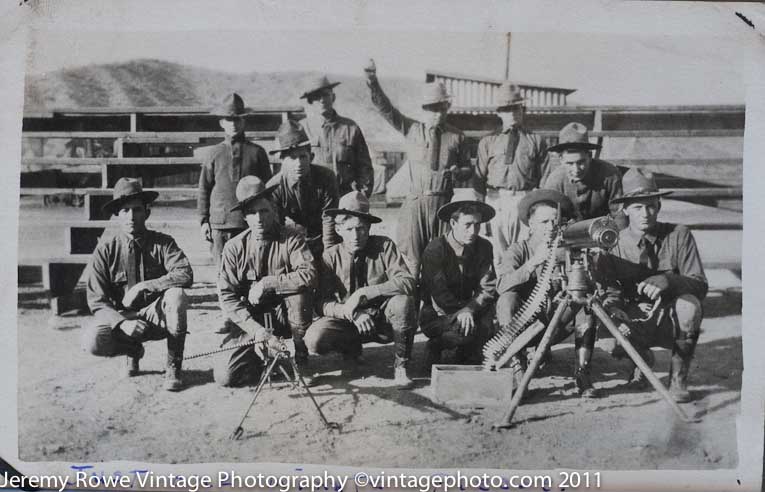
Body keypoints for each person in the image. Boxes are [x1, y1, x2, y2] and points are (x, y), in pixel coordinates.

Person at [599, 168, 707, 402]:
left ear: (659, 205)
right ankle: (639, 358)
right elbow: (611, 291)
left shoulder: (679, 235)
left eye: (650, 205)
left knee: (690, 307)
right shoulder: (614, 244)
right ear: (625, 209)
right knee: (606, 337)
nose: (645, 213)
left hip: (669, 318)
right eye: (637, 207)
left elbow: (700, 284)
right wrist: (614, 310)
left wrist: (668, 280)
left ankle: (678, 379)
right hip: (634, 319)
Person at [81, 178, 194, 391]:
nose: (131, 216)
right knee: (92, 341)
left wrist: (145, 286)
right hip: (123, 319)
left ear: (147, 212)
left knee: (177, 296)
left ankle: (173, 365)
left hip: (156, 316)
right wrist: (122, 323)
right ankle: (132, 350)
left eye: (137, 209)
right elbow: (97, 301)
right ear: (117, 215)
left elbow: (185, 273)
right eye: (125, 211)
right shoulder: (106, 250)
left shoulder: (163, 243)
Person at [364, 59, 472, 276]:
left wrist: (458, 173)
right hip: (415, 203)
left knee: (443, 260)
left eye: (442, 108)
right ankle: (410, 306)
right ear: (424, 109)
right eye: (433, 109)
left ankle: (437, 308)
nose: (438, 114)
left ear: (447, 108)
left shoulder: (457, 137)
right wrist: (372, 81)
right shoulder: (411, 129)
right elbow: (385, 109)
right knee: (411, 261)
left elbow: (468, 169)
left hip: (443, 205)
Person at [495, 189, 601, 398]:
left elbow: (588, 286)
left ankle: (582, 372)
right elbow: (501, 284)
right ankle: (518, 368)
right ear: (531, 224)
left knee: (586, 305)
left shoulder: (569, 250)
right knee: (507, 300)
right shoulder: (519, 250)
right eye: (544, 222)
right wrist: (533, 262)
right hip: (523, 326)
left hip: (557, 322)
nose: (550, 227)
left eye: (555, 221)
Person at [305, 191, 417, 388]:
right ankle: (351, 352)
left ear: (369, 227)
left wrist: (364, 294)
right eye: (349, 229)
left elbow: (407, 280)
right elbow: (320, 303)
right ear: (338, 230)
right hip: (349, 322)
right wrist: (351, 312)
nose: (355, 236)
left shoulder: (384, 246)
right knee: (314, 339)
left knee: (403, 303)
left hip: (382, 320)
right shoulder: (330, 257)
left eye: (361, 229)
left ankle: (401, 367)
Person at [215, 176, 318, 387]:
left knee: (300, 294)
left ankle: (301, 360)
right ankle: (261, 359)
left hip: (285, 317)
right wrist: (256, 331)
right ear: (245, 217)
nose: (259, 218)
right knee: (225, 377)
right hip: (252, 321)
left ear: (274, 210)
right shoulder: (234, 248)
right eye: (252, 213)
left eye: (264, 211)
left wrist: (267, 283)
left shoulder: (292, 238)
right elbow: (228, 296)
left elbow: (309, 274)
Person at [419, 190, 497, 365]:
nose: (473, 231)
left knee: (489, 330)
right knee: (461, 333)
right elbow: (439, 295)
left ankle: (466, 352)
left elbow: (488, 287)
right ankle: (436, 345)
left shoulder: (484, 247)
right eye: (467, 224)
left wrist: (470, 309)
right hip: (439, 314)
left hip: (472, 309)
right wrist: (463, 311)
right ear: (453, 223)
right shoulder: (436, 250)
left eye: (477, 225)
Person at [476, 82, 550, 264]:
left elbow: (545, 178)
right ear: (499, 112)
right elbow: (478, 180)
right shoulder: (488, 141)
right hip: (496, 200)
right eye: (507, 109)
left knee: (524, 250)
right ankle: (501, 289)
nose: (512, 113)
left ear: (523, 110)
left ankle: (521, 290)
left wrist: (539, 211)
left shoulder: (536, 141)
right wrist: (481, 213)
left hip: (524, 200)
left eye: (517, 108)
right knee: (497, 253)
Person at [198, 93, 273, 267]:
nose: (233, 124)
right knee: (223, 269)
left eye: (238, 119)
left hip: (249, 222)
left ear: (244, 121)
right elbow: (204, 188)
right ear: (221, 122)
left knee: (251, 266)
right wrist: (204, 221)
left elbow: (268, 189)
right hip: (220, 223)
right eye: (229, 120)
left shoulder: (257, 152)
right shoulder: (213, 153)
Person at [267, 120, 340, 257]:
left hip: (324, 235)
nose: (299, 163)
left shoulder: (326, 178)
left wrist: (329, 254)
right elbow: (276, 226)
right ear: (282, 161)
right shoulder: (274, 187)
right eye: (292, 158)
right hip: (294, 240)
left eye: (302, 157)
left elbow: (329, 218)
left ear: (311, 157)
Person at [300, 75, 374, 196]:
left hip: (344, 196)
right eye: (317, 96)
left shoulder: (350, 128)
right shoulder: (302, 129)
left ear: (333, 97)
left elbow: (364, 167)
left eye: (325, 95)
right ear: (310, 101)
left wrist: (361, 195)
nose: (322, 100)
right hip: (312, 198)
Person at [542, 122, 623, 223]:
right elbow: (549, 217)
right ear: (561, 159)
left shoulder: (610, 174)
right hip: (567, 233)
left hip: (602, 231)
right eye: (569, 163)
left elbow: (619, 214)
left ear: (589, 156)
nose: (576, 170)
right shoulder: (554, 181)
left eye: (581, 162)